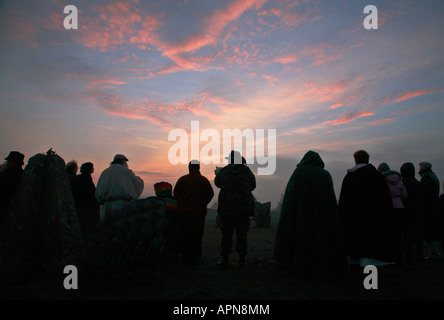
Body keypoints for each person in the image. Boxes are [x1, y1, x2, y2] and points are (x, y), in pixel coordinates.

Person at [274, 151, 347, 277]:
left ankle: (295, 264)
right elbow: (330, 202)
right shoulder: (324, 174)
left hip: (299, 219)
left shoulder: (298, 174)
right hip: (321, 219)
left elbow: (290, 201)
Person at [339, 150, 397, 268]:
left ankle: (359, 265)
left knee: (358, 241)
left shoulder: (350, 177)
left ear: (355, 159)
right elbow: (385, 199)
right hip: (376, 216)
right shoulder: (377, 176)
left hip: (355, 216)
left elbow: (344, 199)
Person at [214, 151, 256, 268]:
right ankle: (242, 260)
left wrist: (218, 174)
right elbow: (253, 185)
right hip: (243, 210)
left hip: (227, 210)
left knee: (226, 235)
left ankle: (225, 260)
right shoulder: (246, 171)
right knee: (242, 235)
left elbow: (218, 183)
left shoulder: (225, 171)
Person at [173, 161, 214, 265]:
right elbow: (210, 194)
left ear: (189, 168)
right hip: (198, 213)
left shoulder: (182, 179)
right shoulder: (203, 180)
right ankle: (195, 257)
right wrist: (203, 203)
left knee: (183, 234)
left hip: (183, 212)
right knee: (196, 235)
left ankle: (184, 256)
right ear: (199, 168)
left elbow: (176, 194)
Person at [95, 154, 144, 222]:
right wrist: (140, 180)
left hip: (107, 207)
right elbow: (137, 183)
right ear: (123, 161)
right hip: (122, 206)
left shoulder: (105, 172)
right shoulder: (126, 171)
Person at [400, 162, 424, 262]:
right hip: (417, 210)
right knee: (417, 234)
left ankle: (409, 255)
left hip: (407, 210)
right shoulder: (418, 183)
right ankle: (419, 255)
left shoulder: (403, 183)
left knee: (407, 234)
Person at [71, 162, 100, 242]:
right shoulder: (87, 178)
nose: (93, 169)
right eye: (92, 168)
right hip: (88, 207)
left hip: (79, 206)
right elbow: (92, 193)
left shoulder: (76, 178)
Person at [418, 161, 442, 260]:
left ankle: (434, 253)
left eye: (420, 167)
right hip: (434, 206)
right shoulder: (433, 177)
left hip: (428, 208)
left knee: (430, 231)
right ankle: (436, 252)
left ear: (423, 167)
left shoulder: (426, 178)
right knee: (434, 230)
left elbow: (423, 193)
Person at [0, 151, 25, 220]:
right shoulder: (22, 175)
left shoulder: (9, 174)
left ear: (14, 163)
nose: (8, 163)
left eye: (9, 161)